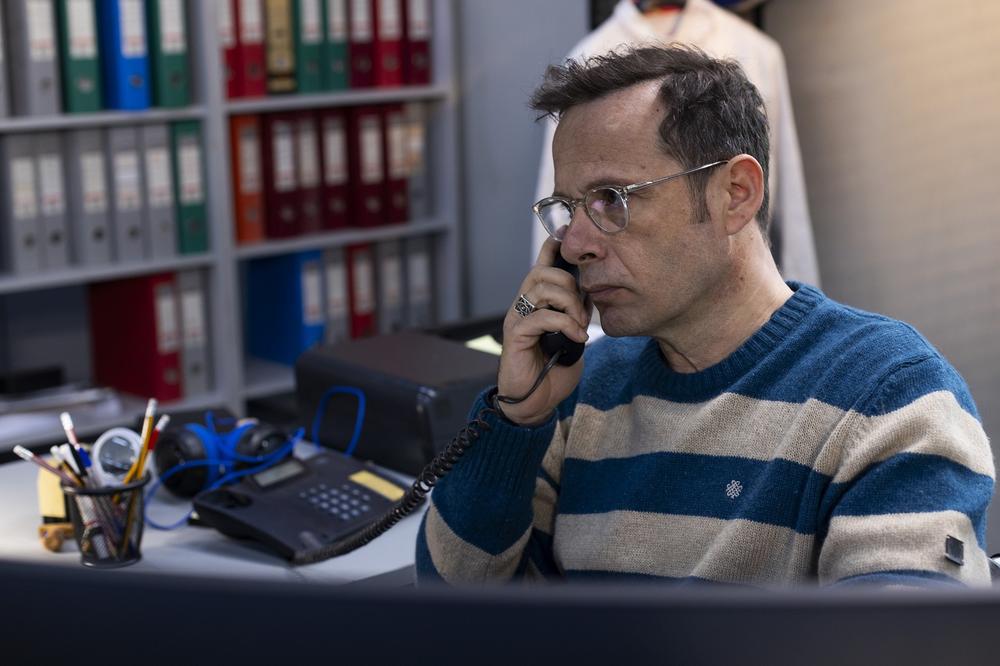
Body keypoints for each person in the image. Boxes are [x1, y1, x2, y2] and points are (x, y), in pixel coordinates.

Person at [415, 46, 995, 586]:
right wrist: (516, 420)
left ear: (735, 194)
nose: (575, 245)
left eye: (611, 199)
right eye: (567, 209)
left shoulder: (889, 396)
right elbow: (447, 609)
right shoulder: (579, 390)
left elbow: (902, 640)